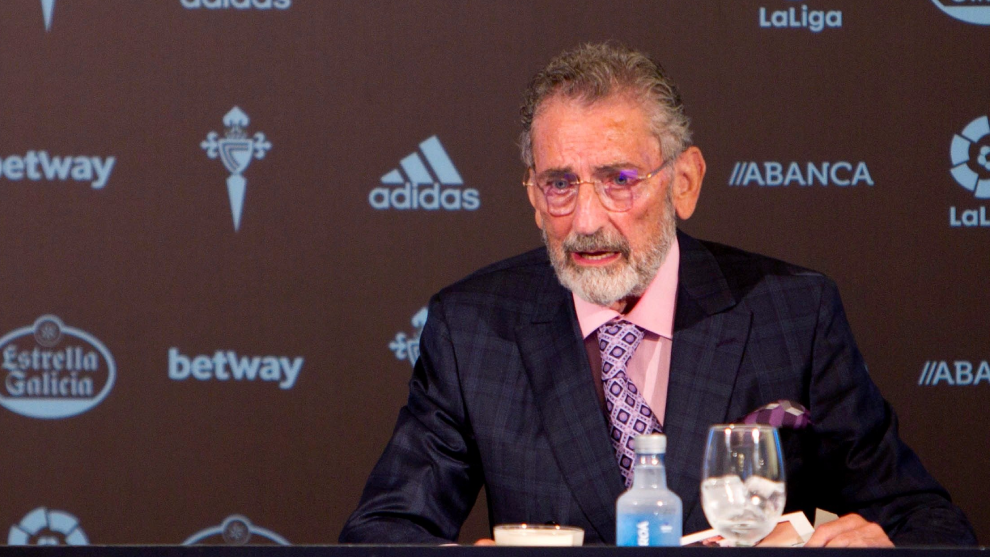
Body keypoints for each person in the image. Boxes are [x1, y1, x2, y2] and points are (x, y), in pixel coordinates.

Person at [339, 43, 976, 547]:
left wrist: (881, 545)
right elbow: (383, 533)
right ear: (533, 196)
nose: (587, 220)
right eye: (560, 184)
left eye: (619, 179)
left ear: (685, 182)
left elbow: (925, 521)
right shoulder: (473, 329)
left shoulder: (791, 314)